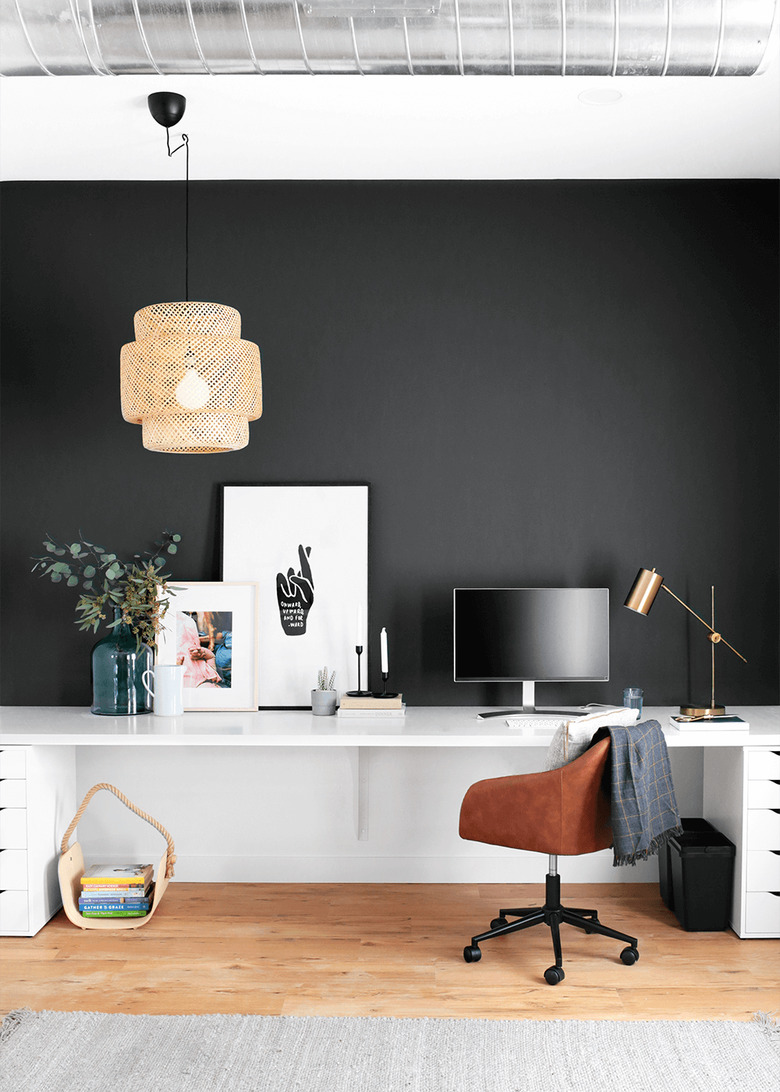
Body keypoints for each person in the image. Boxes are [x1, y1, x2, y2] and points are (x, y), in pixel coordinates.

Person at [176, 612, 221, 689]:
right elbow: (211, 657)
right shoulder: (210, 676)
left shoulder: (187, 688)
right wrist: (203, 652)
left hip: (178, 657)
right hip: (192, 646)